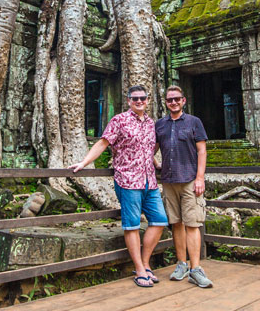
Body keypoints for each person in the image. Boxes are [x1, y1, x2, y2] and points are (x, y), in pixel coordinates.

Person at [70, 84, 168, 288]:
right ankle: (139, 269)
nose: (139, 101)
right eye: (135, 98)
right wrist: (83, 163)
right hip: (128, 180)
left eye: (142, 98)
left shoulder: (151, 124)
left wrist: (156, 163)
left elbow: (150, 148)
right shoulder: (119, 120)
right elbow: (103, 143)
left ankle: (146, 262)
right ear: (129, 101)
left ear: (148, 100)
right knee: (131, 225)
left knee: (159, 221)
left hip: (149, 181)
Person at [155, 85, 213, 288]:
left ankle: (195, 268)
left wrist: (200, 178)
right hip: (169, 181)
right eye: (170, 100)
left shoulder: (193, 122)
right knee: (176, 223)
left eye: (176, 99)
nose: (173, 102)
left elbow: (202, 151)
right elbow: (151, 149)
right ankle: (181, 264)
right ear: (166, 102)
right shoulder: (160, 125)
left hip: (189, 180)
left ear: (183, 100)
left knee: (192, 223)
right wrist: (156, 164)